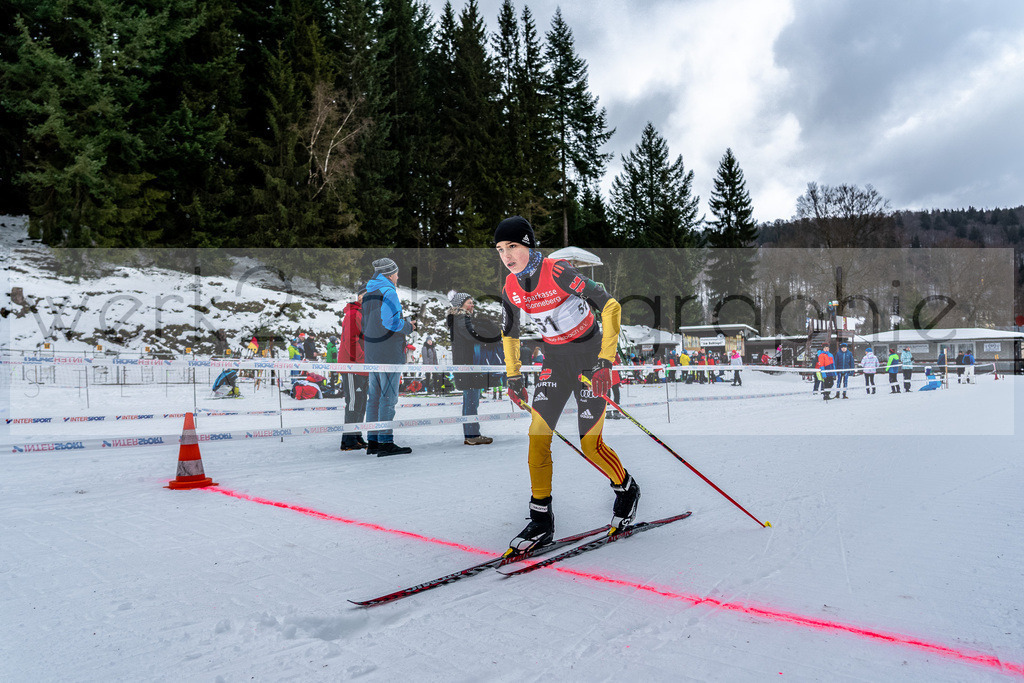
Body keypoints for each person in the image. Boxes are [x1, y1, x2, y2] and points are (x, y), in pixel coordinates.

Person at [495, 216, 640, 552]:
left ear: (528, 244)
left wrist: (606, 361)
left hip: (590, 358)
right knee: (537, 435)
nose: (507, 255)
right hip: (556, 363)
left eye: (513, 246)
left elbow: (610, 305)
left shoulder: (557, 270)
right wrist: (514, 376)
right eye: (501, 249)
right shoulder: (510, 288)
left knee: (590, 445)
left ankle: (626, 488)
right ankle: (541, 520)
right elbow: (510, 334)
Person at [363, 259, 415, 456]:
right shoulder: (389, 292)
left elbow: (365, 325)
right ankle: (385, 441)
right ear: (389, 274)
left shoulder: (369, 293)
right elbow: (391, 322)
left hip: (372, 352)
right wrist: (408, 327)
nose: (398, 277)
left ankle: (373, 441)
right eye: (396, 273)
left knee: (374, 398)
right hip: (388, 353)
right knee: (388, 398)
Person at [447, 291, 499, 446]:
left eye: (472, 302)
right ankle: (472, 434)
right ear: (461, 305)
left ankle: (472, 433)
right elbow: (473, 335)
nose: (472, 305)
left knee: (471, 400)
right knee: (471, 401)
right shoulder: (461, 318)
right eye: (469, 302)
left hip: (469, 365)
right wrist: (488, 336)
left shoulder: (462, 319)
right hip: (468, 366)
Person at [339, 284, 369, 452]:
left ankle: (357, 437)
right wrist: (363, 359)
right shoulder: (353, 314)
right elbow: (351, 341)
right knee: (353, 402)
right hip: (352, 366)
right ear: (360, 298)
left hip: (363, 366)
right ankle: (348, 440)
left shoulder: (365, 316)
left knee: (361, 403)